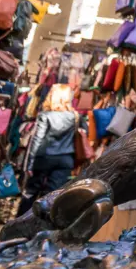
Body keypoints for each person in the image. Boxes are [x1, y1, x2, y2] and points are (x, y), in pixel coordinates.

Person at [18, 84, 79, 216]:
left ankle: (21, 222)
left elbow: (37, 140)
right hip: (65, 158)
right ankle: (46, 226)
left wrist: (30, 163)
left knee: (31, 191)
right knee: (54, 194)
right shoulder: (74, 116)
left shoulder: (45, 115)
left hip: (44, 157)